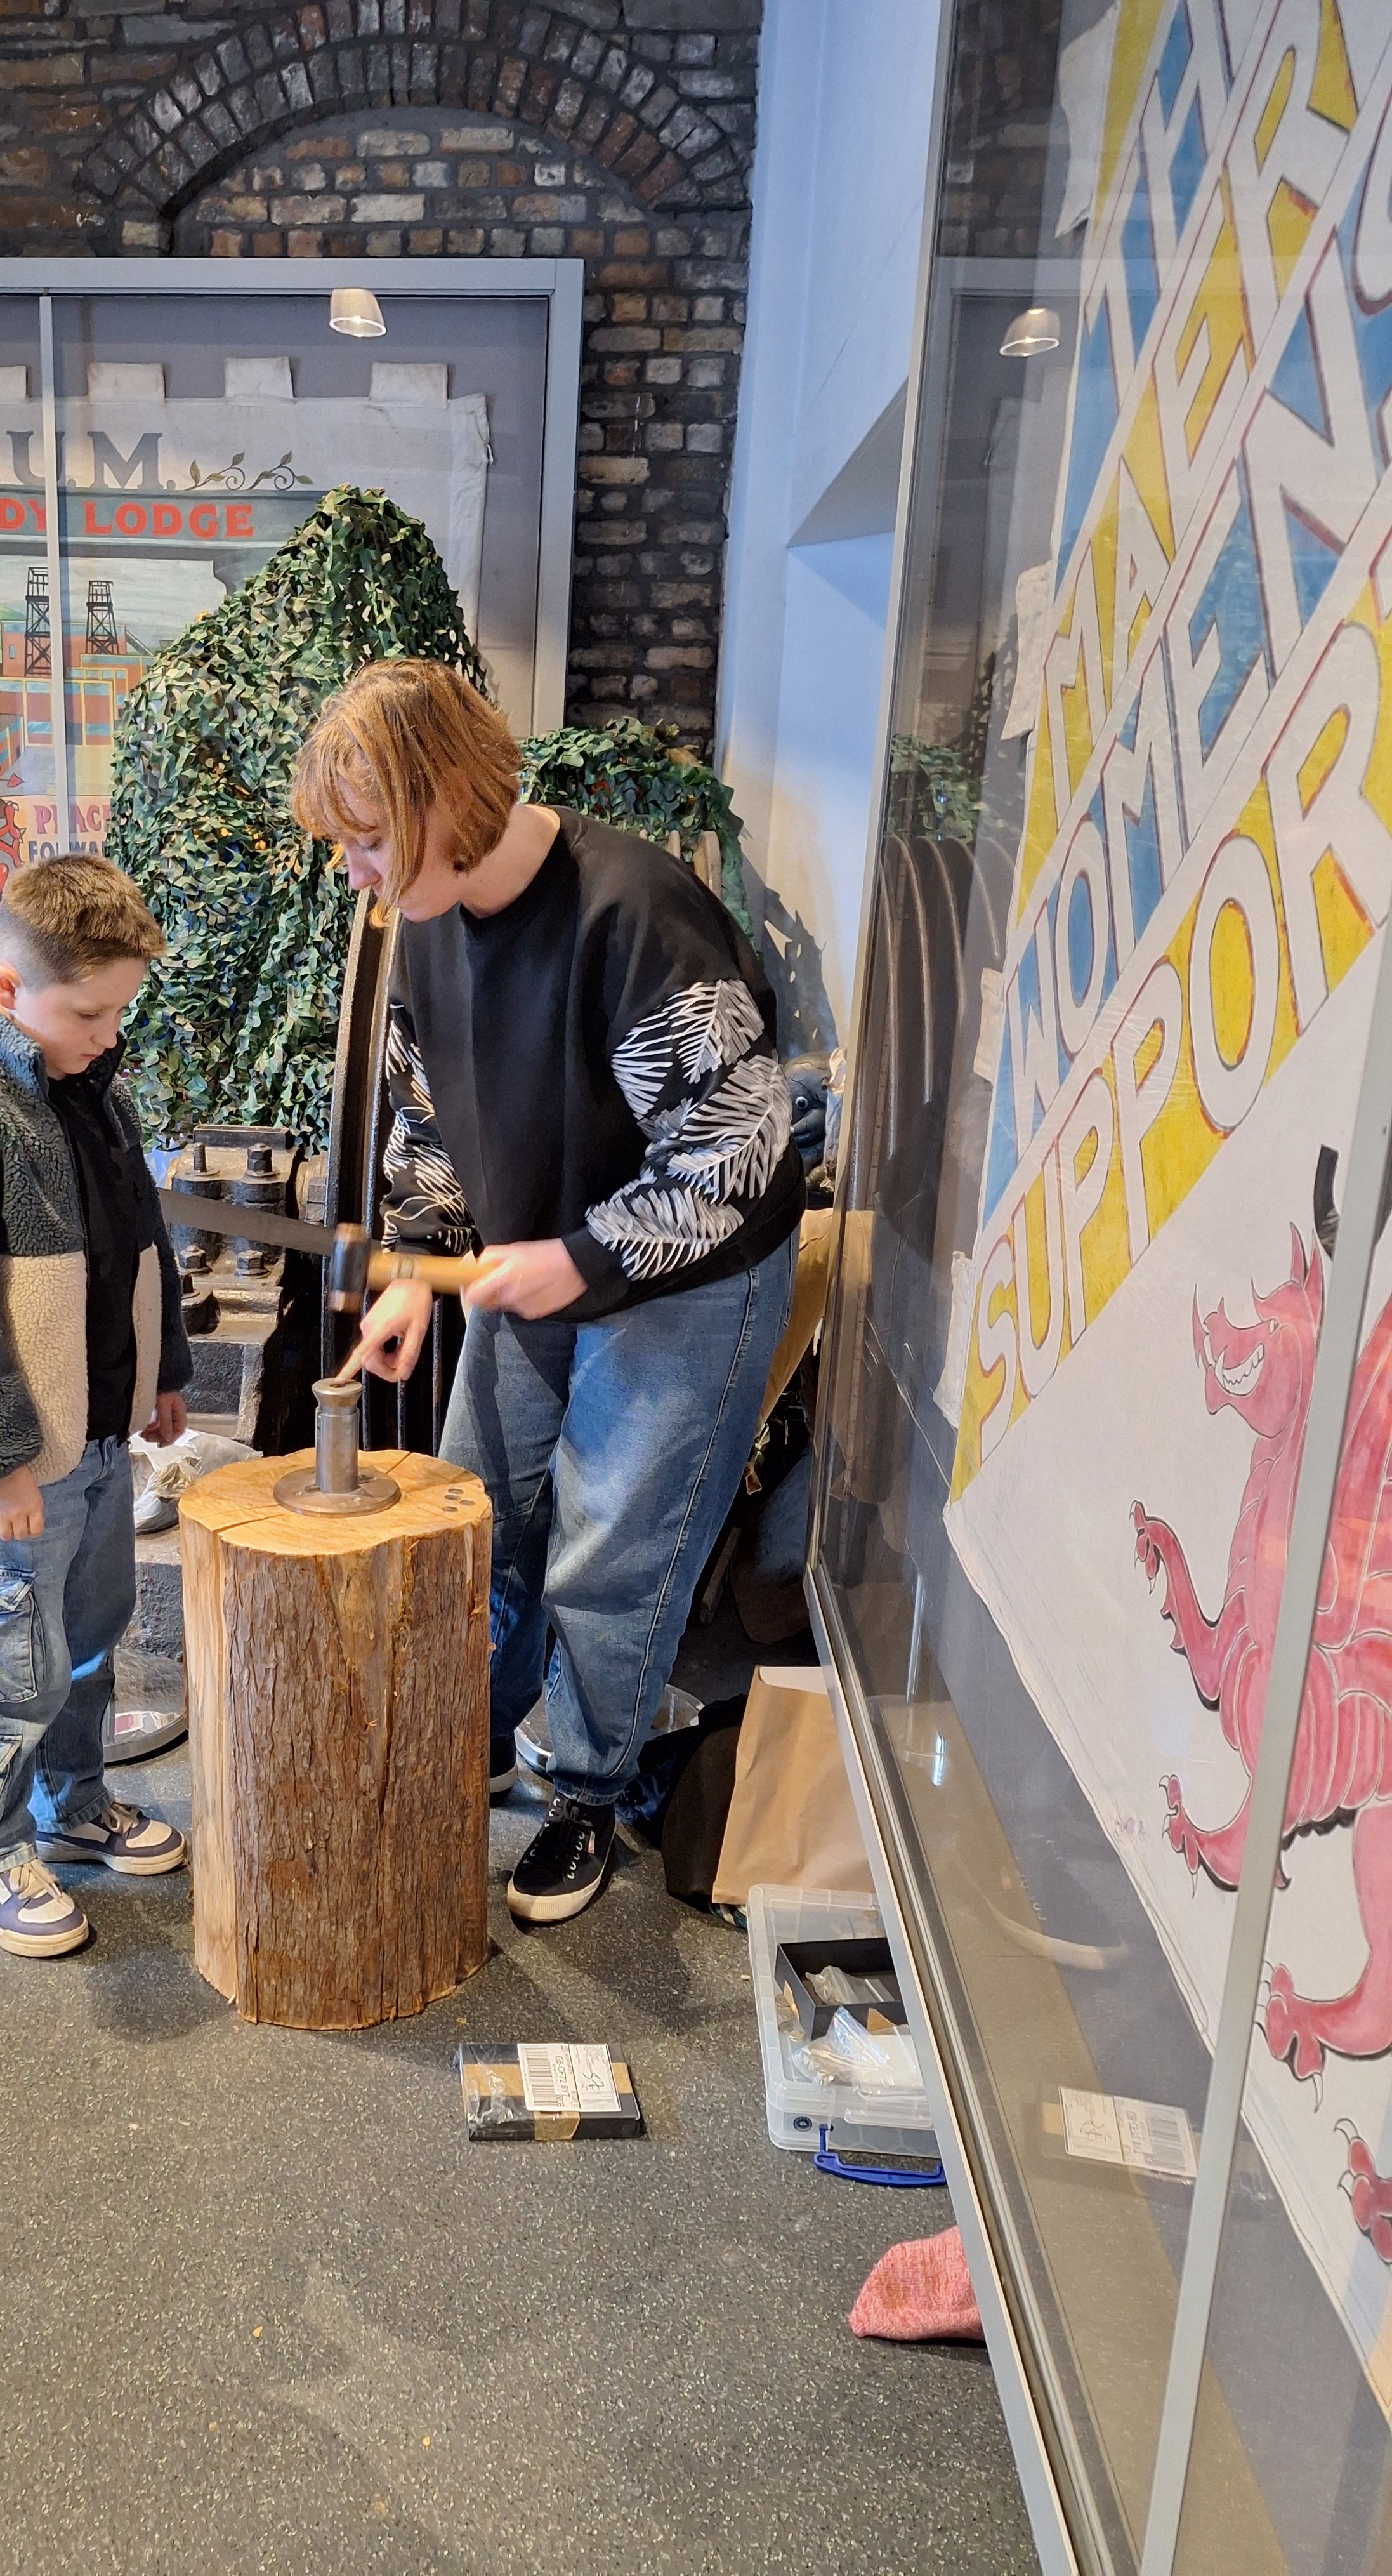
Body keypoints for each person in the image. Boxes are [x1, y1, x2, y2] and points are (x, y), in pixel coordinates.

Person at [292, 661, 801, 1928]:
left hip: (691, 1276)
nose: (351, 870)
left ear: (447, 800)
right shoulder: (417, 927)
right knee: (483, 1517)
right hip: (534, 1256)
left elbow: (734, 1153)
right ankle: (464, 1745)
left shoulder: (632, 917)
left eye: (368, 842)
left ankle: (583, 1793)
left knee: (613, 1550)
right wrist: (417, 1271)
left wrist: (577, 1258)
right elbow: (427, 1123)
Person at [0, 854, 192, 1958]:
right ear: (7, 989)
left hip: (99, 1438)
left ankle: (70, 1804)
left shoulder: (92, 1087)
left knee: (89, 1640)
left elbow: (141, 1245)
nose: (110, 1033)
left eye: (120, 1012)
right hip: (18, 1463)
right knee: (5, 1665)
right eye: (90, 1010)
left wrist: (164, 1370)